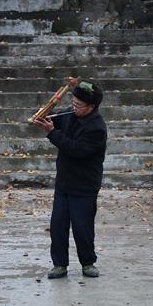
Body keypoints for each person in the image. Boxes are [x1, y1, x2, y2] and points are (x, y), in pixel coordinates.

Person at [32, 80, 108, 280]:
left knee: (82, 227)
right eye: (73, 103)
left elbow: (76, 149)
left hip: (84, 185)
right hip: (64, 182)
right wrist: (43, 115)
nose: (74, 108)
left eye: (78, 105)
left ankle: (88, 262)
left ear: (91, 107)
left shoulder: (97, 128)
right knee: (58, 225)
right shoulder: (71, 114)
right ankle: (59, 264)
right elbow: (55, 121)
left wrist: (51, 133)